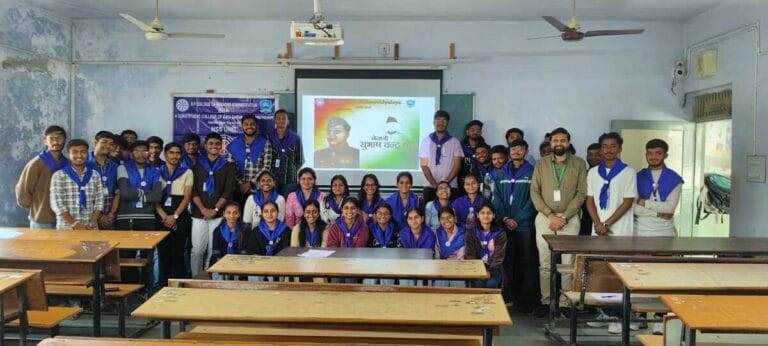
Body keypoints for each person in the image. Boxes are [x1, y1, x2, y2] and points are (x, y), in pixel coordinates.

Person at [530, 127, 587, 318]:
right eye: (555, 140)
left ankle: (566, 302)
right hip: (545, 218)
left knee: (568, 264)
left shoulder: (579, 163)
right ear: (551, 143)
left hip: (569, 219)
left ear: (568, 143)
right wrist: (550, 215)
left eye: (563, 140)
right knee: (545, 263)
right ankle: (547, 301)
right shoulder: (541, 163)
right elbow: (534, 191)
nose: (559, 143)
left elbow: (581, 193)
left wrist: (564, 217)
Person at [585, 132, 637, 334]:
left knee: (619, 274)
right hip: (598, 231)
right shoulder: (593, 173)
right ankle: (605, 313)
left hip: (620, 231)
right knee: (601, 272)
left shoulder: (628, 172)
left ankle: (620, 316)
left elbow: (627, 201)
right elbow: (590, 200)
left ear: (619, 149)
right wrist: (598, 223)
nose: (608, 150)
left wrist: (607, 223)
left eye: (613, 146)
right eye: (605, 146)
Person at [492, 139, 538, 311]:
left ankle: (527, 299)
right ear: (509, 152)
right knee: (507, 261)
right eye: (513, 149)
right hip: (505, 224)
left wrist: (517, 219)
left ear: (526, 151)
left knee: (526, 261)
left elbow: (534, 198)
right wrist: (505, 218)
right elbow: (496, 197)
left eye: (520, 149)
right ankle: (509, 295)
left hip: (524, 225)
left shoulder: (532, 172)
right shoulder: (501, 173)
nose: (516, 151)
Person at [190, 132, 238, 276]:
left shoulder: (229, 166)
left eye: (217, 144)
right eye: (210, 143)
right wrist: (203, 209)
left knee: (213, 249)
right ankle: (196, 277)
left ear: (221, 146)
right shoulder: (197, 166)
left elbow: (228, 191)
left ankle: (208, 277)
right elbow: (193, 191)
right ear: (205, 146)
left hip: (218, 215)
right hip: (199, 214)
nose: (214, 146)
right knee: (197, 250)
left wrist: (215, 209)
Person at [16, 125, 69, 229]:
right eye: (52, 138)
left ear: (64, 140)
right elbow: (23, 192)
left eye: (59, 138)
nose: (56, 142)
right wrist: (38, 208)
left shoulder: (68, 164)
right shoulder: (36, 164)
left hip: (65, 219)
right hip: (41, 220)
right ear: (45, 141)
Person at [155, 142, 194, 280]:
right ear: (165, 154)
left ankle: (179, 283)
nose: (174, 156)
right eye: (171, 153)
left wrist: (175, 216)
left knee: (178, 252)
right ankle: (162, 283)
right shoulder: (156, 172)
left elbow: (187, 196)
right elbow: (154, 198)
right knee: (162, 252)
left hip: (180, 214)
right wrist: (165, 217)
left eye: (178, 153)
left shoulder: (187, 172)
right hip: (161, 215)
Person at [50, 139, 105, 230]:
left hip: (90, 228)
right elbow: (57, 204)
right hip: (66, 228)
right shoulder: (59, 175)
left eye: (83, 152)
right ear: (68, 154)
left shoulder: (95, 175)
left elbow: (100, 201)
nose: (79, 155)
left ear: (87, 154)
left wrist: (92, 222)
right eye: (74, 152)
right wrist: (76, 225)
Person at [634, 139, 683, 237]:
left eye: (658, 153)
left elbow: (669, 209)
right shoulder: (638, 176)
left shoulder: (674, 179)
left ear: (665, 155)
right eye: (650, 153)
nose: (653, 157)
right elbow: (632, 208)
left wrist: (644, 203)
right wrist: (657, 214)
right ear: (646, 155)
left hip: (665, 232)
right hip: (639, 232)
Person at [115, 140, 163, 232]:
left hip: (148, 217)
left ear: (149, 153)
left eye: (144, 151)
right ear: (131, 154)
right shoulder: (123, 168)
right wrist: (146, 191)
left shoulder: (155, 171)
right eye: (137, 151)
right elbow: (125, 193)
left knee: (149, 242)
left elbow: (157, 196)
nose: (141, 154)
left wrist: (135, 193)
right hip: (125, 217)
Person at [418, 110, 464, 202]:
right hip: (430, 186)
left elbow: (457, 165)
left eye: (444, 120)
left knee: (450, 210)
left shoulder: (455, 142)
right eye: (438, 120)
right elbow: (424, 165)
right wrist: (435, 184)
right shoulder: (426, 141)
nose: (441, 123)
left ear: (448, 123)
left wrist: (445, 183)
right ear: (433, 122)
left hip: (450, 187)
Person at [228, 114, 272, 207]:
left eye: (252, 124)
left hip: (258, 188)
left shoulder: (265, 143)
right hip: (238, 189)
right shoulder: (234, 144)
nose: (249, 126)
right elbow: (231, 167)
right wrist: (241, 184)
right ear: (242, 126)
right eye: (246, 124)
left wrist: (251, 183)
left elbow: (266, 166)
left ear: (257, 126)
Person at [464, 202, 507, 288]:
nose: (486, 216)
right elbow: (469, 254)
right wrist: (480, 270)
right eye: (482, 213)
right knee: (478, 283)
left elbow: (499, 256)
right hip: (475, 267)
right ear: (477, 215)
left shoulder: (500, 233)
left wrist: (489, 271)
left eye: (489, 213)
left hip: (494, 267)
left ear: (493, 215)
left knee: (491, 283)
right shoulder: (471, 232)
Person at [268, 109, 304, 196]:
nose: (281, 120)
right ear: (274, 121)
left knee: (288, 202)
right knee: (274, 202)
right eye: (278, 118)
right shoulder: (268, 137)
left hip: (290, 180)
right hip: (272, 179)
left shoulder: (295, 138)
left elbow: (300, 160)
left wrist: (291, 169)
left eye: (284, 118)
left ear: (288, 121)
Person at [88, 131, 120, 229]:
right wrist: (100, 216)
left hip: (109, 218)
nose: (107, 146)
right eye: (104, 142)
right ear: (95, 143)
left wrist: (111, 214)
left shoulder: (115, 166)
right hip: (88, 216)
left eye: (111, 144)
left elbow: (117, 192)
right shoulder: (85, 164)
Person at [434, 207, 467, 287]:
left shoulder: (463, 232)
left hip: (459, 266)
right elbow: (437, 256)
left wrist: (452, 267)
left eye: (449, 217)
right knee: (439, 284)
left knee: (457, 284)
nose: (446, 221)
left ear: (454, 218)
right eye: (443, 218)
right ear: (439, 220)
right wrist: (441, 268)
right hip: (442, 266)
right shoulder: (437, 233)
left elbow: (461, 257)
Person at [209, 202, 249, 268]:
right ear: (224, 214)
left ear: (239, 214)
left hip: (240, 264)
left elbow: (245, 251)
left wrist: (235, 264)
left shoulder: (245, 230)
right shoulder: (218, 230)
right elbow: (216, 251)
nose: (231, 216)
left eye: (235, 213)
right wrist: (223, 263)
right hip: (221, 263)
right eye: (228, 213)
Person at [579, 143, 602, 236]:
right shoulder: (583, 174)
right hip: (586, 218)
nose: (593, 157)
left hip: (604, 217)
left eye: (597, 154)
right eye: (590, 154)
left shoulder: (610, 175)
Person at [458, 120, 485, 194]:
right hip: (463, 183)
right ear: (467, 132)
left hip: (480, 183)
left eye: (478, 131)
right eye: (472, 130)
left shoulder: (485, 148)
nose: (475, 132)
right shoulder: (460, 147)